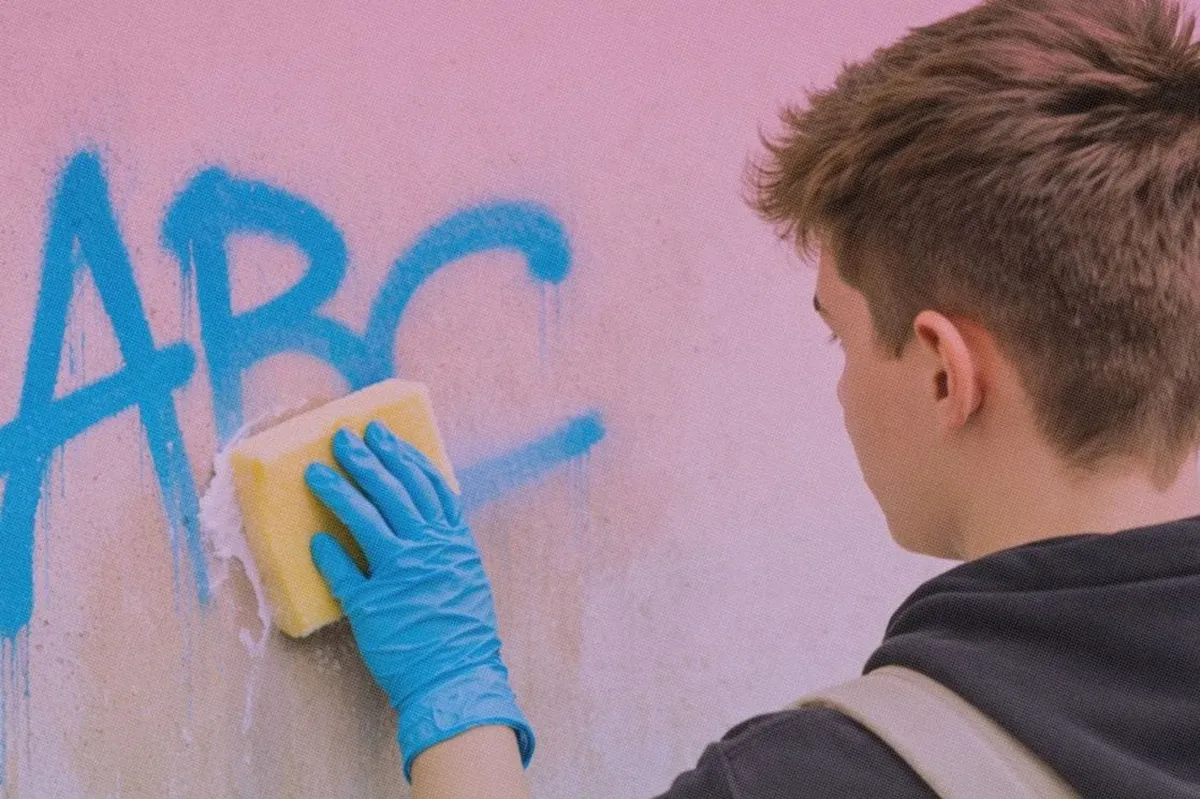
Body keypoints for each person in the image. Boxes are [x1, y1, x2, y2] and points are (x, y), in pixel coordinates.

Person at [302, 0, 1200, 795]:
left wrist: (454, 695)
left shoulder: (816, 781)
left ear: (943, 373)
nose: (841, 388)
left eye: (840, 336)